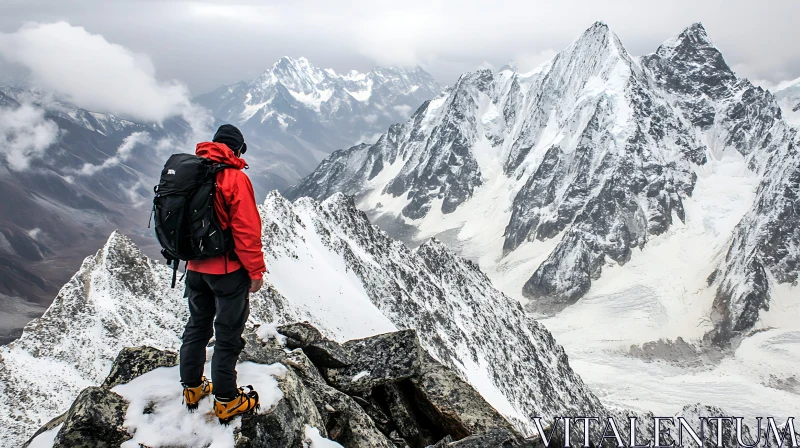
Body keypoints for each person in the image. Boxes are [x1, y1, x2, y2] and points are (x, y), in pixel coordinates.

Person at [179, 124, 267, 424]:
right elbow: (246, 230)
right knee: (227, 336)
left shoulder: (192, 172)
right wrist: (255, 271)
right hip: (227, 272)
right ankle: (227, 401)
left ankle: (192, 389)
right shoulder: (234, 178)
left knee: (197, 328)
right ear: (238, 149)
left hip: (193, 268)